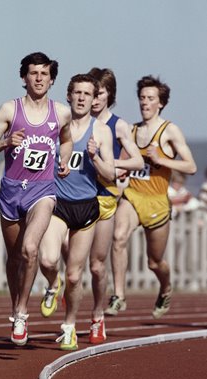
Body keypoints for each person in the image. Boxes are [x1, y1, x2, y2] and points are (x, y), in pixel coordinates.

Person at [0, 51, 73, 346]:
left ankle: (20, 314)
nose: (39, 78)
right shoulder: (9, 110)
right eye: (33, 73)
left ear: (52, 78)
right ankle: (16, 304)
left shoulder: (60, 113)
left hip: (42, 191)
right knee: (15, 259)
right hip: (11, 192)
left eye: (44, 73)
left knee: (31, 249)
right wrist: (6, 142)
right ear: (24, 77)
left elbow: (67, 139)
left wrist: (64, 160)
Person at [108, 75, 197, 319]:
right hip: (133, 195)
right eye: (142, 98)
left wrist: (161, 160)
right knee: (119, 236)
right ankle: (118, 296)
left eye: (150, 99)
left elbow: (191, 167)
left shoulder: (170, 131)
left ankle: (166, 288)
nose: (145, 103)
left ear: (161, 103)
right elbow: (124, 163)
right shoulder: (133, 131)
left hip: (157, 201)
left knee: (154, 263)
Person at [39, 73, 115, 350]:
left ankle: (69, 325)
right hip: (56, 202)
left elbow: (111, 176)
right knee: (48, 260)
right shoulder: (56, 123)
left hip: (85, 206)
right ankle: (51, 284)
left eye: (87, 94)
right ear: (69, 96)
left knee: (75, 275)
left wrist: (95, 158)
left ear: (95, 99)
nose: (82, 98)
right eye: (77, 93)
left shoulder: (101, 131)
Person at [86, 68, 144, 338]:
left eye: (100, 94)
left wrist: (113, 163)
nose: (94, 99)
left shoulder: (118, 125)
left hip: (106, 195)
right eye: (91, 93)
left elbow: (138, 161)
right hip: (78, 193)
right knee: (63, 250)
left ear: (110, 94)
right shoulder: (79, 120)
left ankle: (101, 311)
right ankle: (61, 283)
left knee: (97, 263)